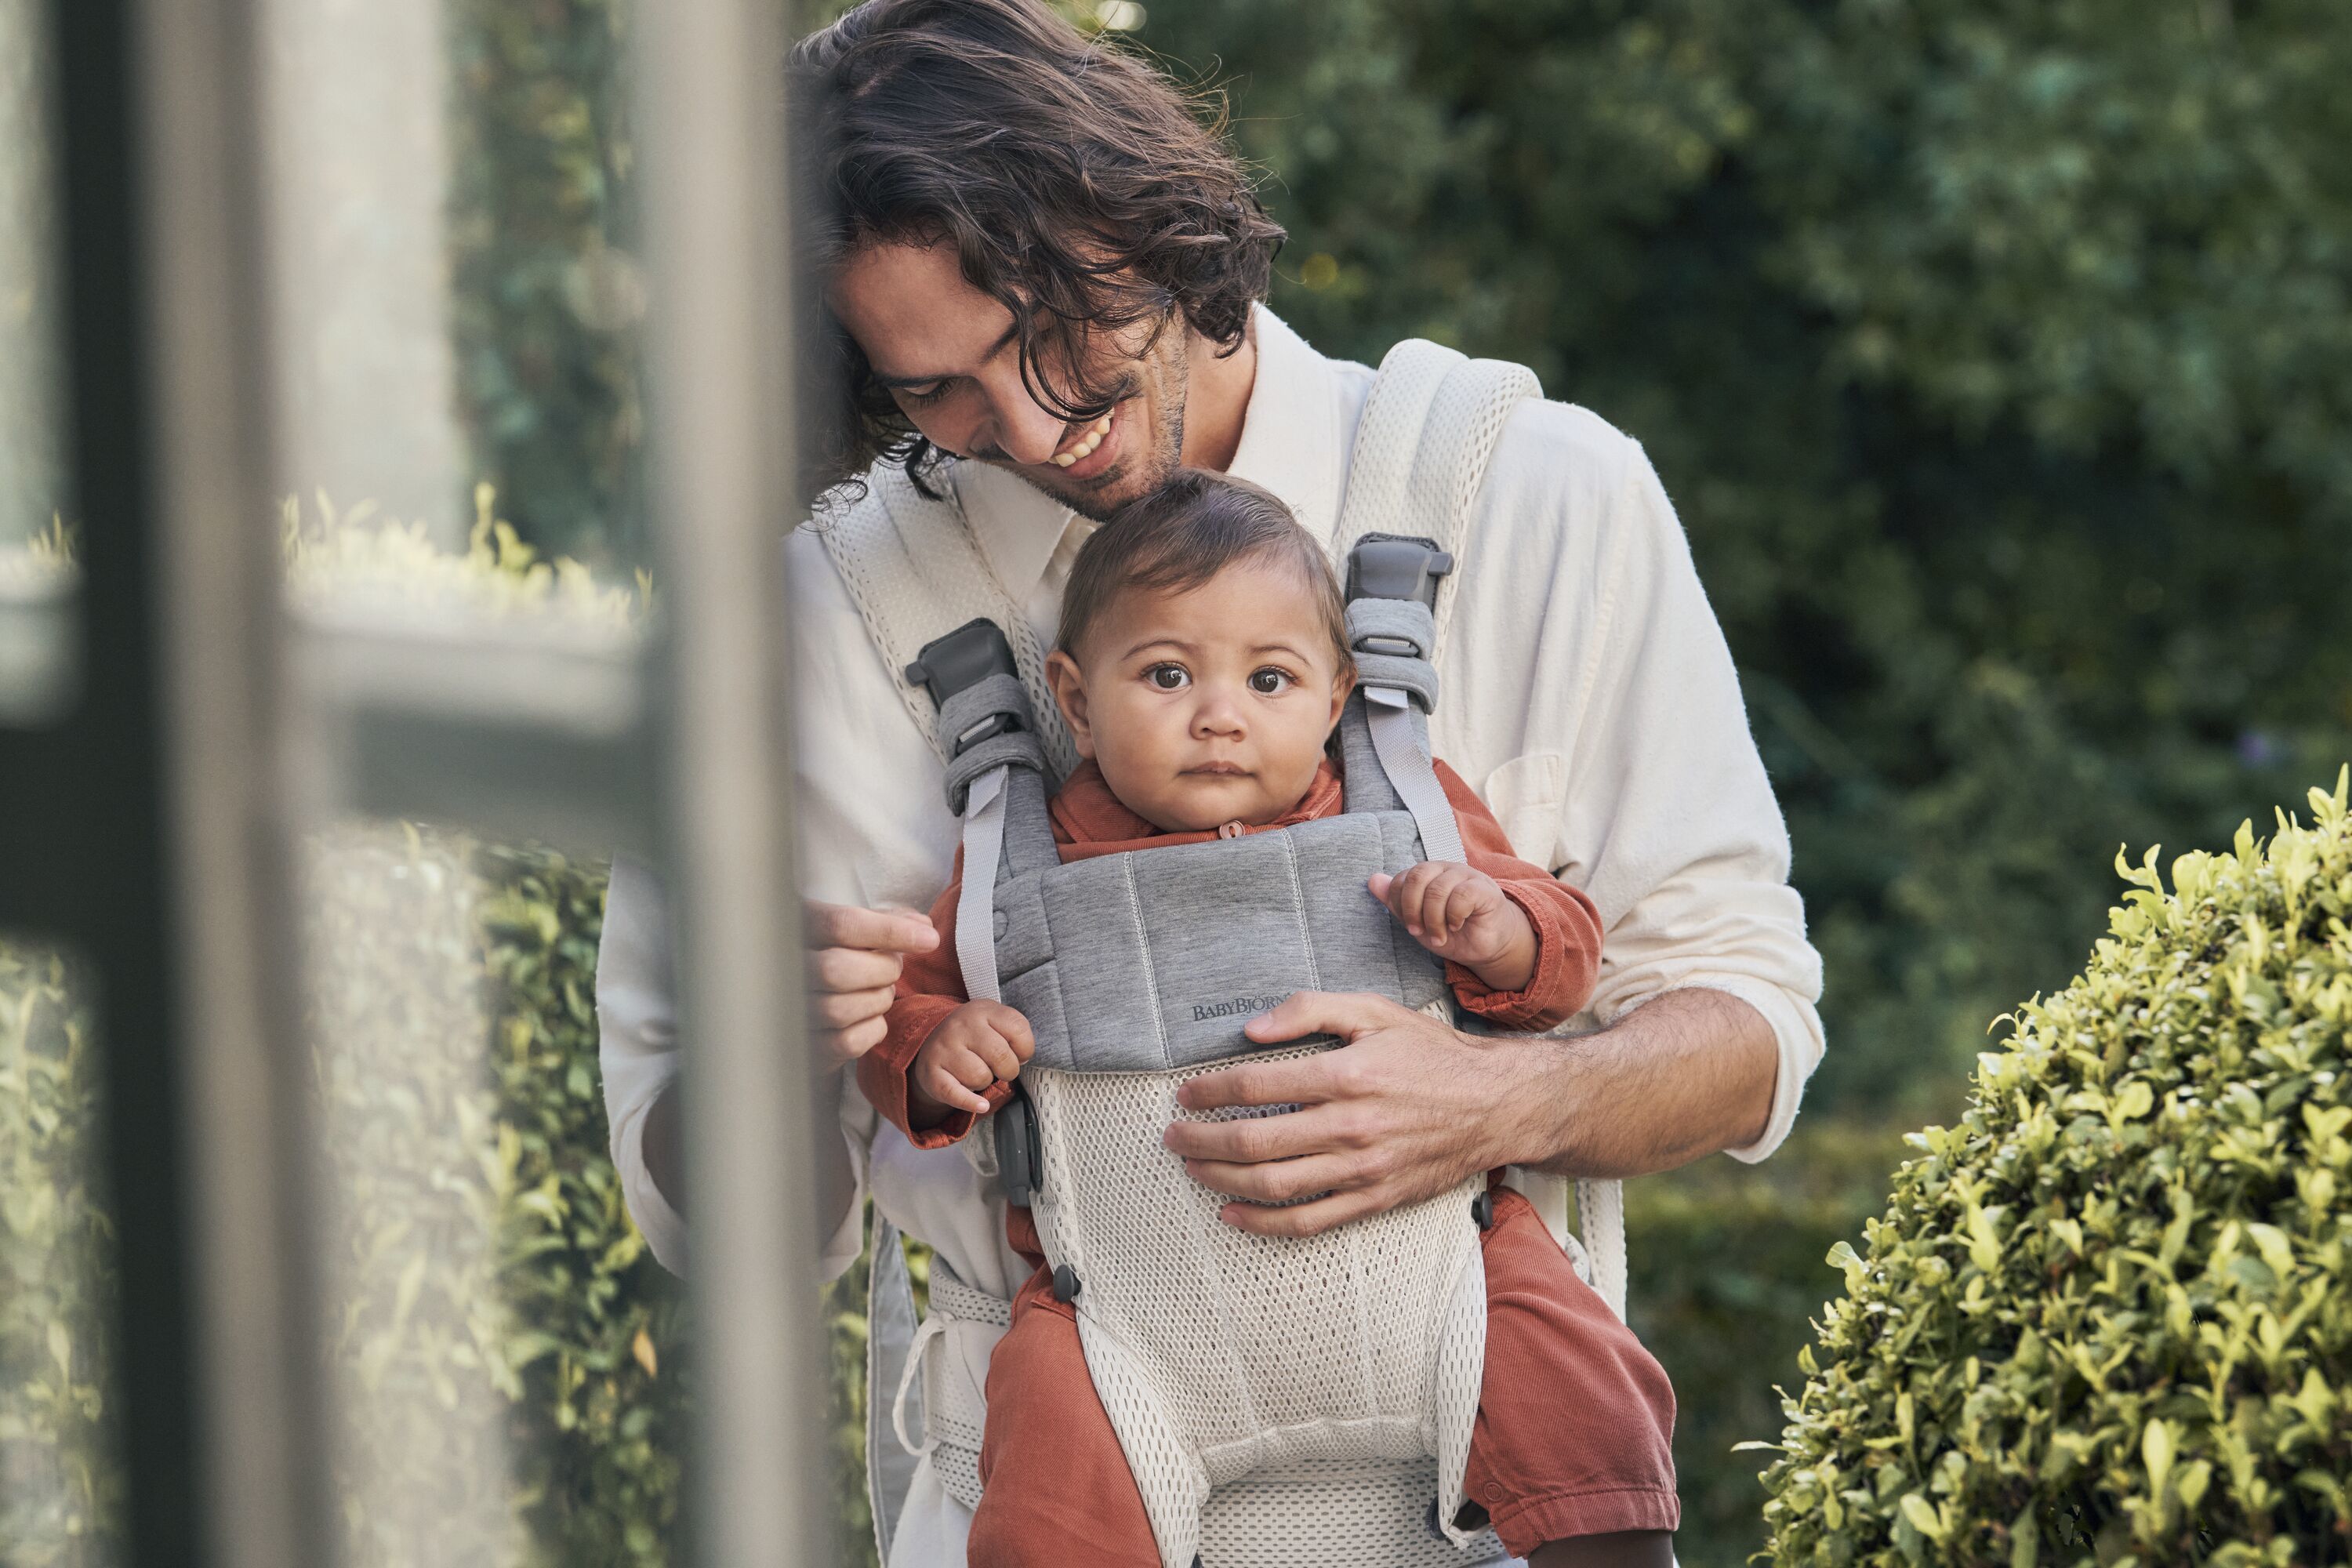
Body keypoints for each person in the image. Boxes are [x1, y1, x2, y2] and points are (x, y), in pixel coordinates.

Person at [594, 2, 1826, 1563]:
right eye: (938, 391)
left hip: (1494, 1514)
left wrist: (1500, 1099)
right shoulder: (798, 626)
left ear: (1135, 209)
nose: (1032, 427)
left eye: (1049, 330)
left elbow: (1753, 1031)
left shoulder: (1536, 495)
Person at [858, 471, 1677, 1567]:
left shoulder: (1407, 807)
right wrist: (935, 1056)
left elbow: (1567, 955)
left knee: (1579, 1378)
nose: (1220, 715)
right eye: (1166, 674)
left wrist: (1503, 932)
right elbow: (903, 1006)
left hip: (1444, 1286)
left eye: (1270, 679)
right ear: (1076, 700)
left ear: (1337, 700)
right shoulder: (1018, 859)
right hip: (1133, 1329)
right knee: (1047, 1447)